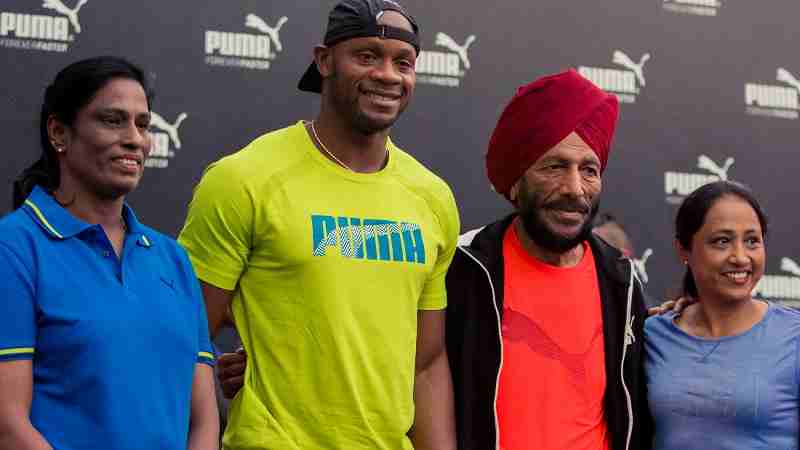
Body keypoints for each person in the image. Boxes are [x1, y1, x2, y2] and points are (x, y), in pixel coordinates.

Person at [177, 1, 460, 448]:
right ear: (324, 60)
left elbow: (425, 365)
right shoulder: (243, 179)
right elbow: (182, 340)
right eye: (366, 56)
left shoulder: (432, 197)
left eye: (402, 62)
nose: (388, 74)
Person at [0, 57, 218, 450]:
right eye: (113, 120)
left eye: (143, 124)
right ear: (59, 132)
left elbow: (203, 422)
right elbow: (8, 426)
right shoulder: (14, 248)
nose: (135, 138)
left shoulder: (173, 259)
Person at [445, 70, 652, 450]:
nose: (574, 189)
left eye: (589, 170)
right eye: (554, 166)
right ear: (515, 181)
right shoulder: (465, 270)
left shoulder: (621, 283)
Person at [645, 180, 799, 449]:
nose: (740, 257)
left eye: (752, 240)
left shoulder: (794, 336)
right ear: (684, 249)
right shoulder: (652, 335)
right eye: (722, 241)